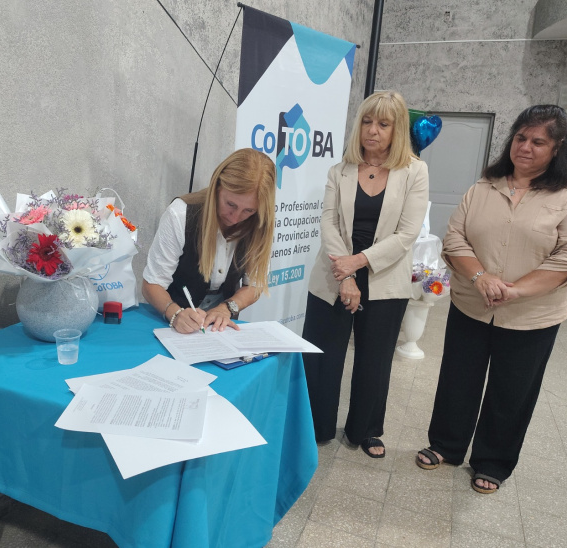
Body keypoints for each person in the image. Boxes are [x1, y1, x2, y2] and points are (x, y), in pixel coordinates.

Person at [416, 105, 567, 494]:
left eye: (537, 141)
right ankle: (446, 445)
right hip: (472, 303)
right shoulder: (485, 185)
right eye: (520, 138)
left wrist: (515, 290)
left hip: (531, 314)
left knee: (513, 390)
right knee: (458, 379)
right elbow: (455, 238)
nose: (525, 147)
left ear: (558, 147)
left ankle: (492, 461)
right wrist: (482, 277)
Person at [302, 91, 429, 457]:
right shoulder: (339, 170)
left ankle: (367, 429)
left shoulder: (415, 171)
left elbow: (407, 233)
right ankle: (316, 425)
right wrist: (345, 274)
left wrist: (358, 263)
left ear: (397, 130)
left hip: (385, 277)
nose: (373, 131)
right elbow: (328, 223)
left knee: (375, 361)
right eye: (368, 122)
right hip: (333, 273)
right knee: (323, 356)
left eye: (383, 124)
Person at [142, 148, 276, 334]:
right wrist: (175, 314)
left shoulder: (259, 222)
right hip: (173, 324)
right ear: (217, 187)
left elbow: (254, 285)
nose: (236, 218)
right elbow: (152, 285)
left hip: (221, 329)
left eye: (248, 211)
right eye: (230, 204)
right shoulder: (181, 214)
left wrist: (227, 308)